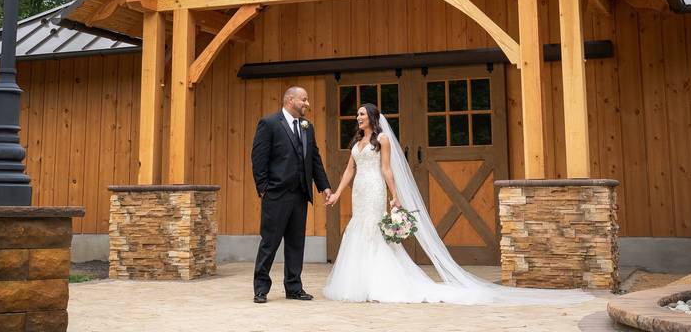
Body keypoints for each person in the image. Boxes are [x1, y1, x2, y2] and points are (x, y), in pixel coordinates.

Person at [323, 103, 591, 305]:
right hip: (359, 190)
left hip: (374, 189)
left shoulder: (380, 140)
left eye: (361, 114)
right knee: (358, 228)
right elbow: (349, 170)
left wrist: (395, 196)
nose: (358, 117)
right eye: (357, 114)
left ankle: (379, 284)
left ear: (372, 117)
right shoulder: (357, 142)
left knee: (374, 232)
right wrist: (336, 193)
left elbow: (387, 170)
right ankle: (358, 282)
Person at [250, 86, 331, 304]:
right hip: (276, 194)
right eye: (304, 100)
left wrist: (324, 186)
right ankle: (261, 288)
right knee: (270, 243)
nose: (307, 104)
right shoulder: (269, 124)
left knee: (296, 243)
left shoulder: (307, 127)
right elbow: (258, 158)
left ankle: (294, 287)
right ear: (290, 100)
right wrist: (264, 188)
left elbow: (314, 158)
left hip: (300, 195)